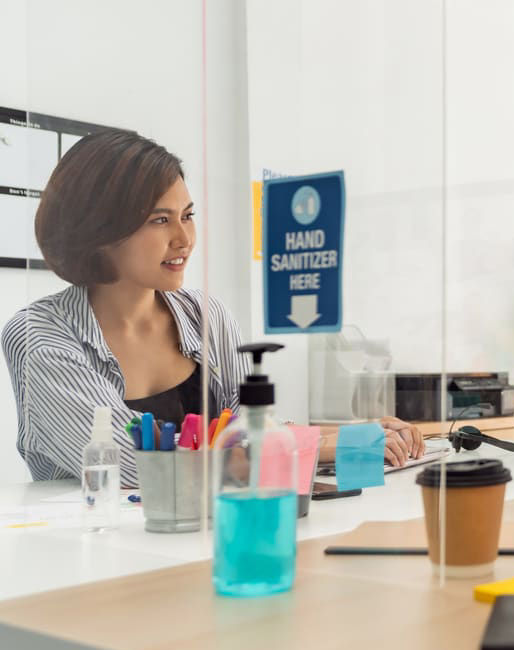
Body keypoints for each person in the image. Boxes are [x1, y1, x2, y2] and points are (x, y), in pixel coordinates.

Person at [1, 130, 421, 488]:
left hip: (205, 539)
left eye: (187, 215)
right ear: (100, 230)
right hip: (100, 558)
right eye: (159, 220)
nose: (184, 239)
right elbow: (132, 466)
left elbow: (250, 434)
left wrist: (356, 435)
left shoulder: (206, 316)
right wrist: (331, 445)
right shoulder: (41, 335)